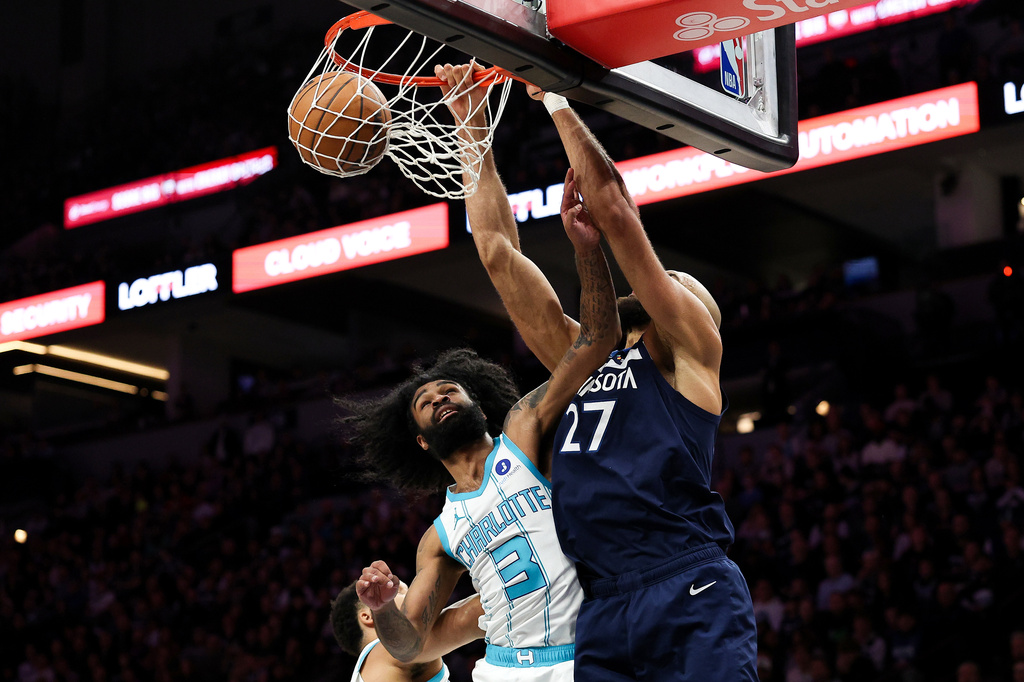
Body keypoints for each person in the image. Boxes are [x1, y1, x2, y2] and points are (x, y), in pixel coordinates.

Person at [452, 60, 757, 680]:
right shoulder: (584, 355)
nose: (663, 276)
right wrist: (471, 129)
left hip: (684, 580)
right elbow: (496, 251)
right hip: (602, 602)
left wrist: (556, 97)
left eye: (676, 281)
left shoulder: (689, 357)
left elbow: (617, 211)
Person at [343, 111, 620, 681]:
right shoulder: (439, 535)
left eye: (451, 389)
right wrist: (379, 609)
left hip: (585, 655)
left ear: (478, 404)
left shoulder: (523, 430)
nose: (442, 396)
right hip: (504, 671)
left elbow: (598, 339)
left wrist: (588, 252)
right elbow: (407, 643)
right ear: (421, 441)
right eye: (428, 402)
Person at [330, 579, 483, 682]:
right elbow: (478, 614)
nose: (412, 598)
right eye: (401, 592)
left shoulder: (370, 668)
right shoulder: (387, 650)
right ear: (368, 615)